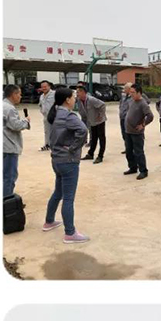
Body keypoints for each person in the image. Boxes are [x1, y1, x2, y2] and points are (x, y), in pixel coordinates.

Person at [41, 86, 89, 242]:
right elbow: (83, 130)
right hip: (68, 161)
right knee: (68, 198)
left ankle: (49, 221)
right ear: (68, 100)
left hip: (56, 160)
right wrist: (74, 148)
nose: (75, 99)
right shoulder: (69, 116)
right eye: (73, 97)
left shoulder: (55, 113)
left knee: (58, 193)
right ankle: (70, 233)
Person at [3, 84, 30, 198]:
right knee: (9, 176)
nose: (20, 96)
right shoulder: (9, 108)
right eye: (19, 94)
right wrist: (26, 121)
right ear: (13, 94)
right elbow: (15, 125)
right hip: (9, 146)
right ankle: (7, 201)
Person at [122, 84, 153, 180]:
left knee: (138, 152)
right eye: (130, 92)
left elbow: (150, 116)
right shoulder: (132, 101)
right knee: (128, 151)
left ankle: (143, 171)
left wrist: (143, 125)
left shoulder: (143, 103)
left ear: (139, 93)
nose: (131, 94)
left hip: (137, 133)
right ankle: (133, 167)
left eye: (133, 92)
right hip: (128, 131)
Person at [76, 85, 107, 163]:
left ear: (83, 92)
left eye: (78, 92)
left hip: (99, 121)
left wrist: (100, 115)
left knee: (101, 138)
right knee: (93, 138)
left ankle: (100, 156)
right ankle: (90, 154)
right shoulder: (79, 101)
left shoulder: (91, 99)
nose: (77, 94)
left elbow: (103, 105)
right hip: (92, 121)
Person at [38, 80, 54, 151]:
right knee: (47, 131)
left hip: (54, 117)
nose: (44, 88)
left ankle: (55, 145)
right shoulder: (41, 96)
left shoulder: (54, 94)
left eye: (45, 86)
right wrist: (42, 111)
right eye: (42, 87)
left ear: (49, 86)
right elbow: (40, 105)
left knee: (55, 131)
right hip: (46, 117)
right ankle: (47, 145)